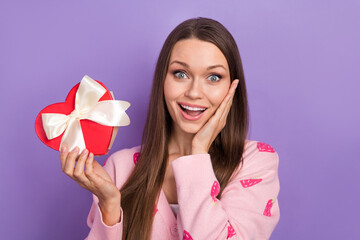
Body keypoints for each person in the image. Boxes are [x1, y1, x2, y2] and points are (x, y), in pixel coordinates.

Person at [60, 17, 280, 240]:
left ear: (232, 87)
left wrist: (199, 151)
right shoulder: (120, 167)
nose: (194, 92)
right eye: (180, 74)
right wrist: (110, 205)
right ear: (162, 80)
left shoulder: (255, 162)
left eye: (213, 77)